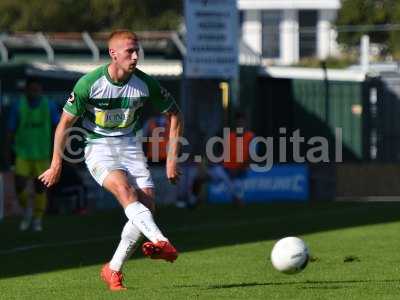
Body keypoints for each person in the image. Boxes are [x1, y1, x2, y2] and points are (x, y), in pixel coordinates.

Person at [38, 30, 183, 291]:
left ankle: (112, 269)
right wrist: (56, 164)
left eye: (138, 50)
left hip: (130, 146)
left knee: (147, 208)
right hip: (98, 147)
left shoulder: (144, 83)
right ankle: (161, 241)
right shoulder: (89, 84)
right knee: (126, 192)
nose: (136, 56)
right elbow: (64, 125)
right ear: (113, 54)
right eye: (130, 51)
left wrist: (171, 160)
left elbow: (175, 114)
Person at [6, 78, 60, 232]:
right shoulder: (18, 106)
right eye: (32, 89)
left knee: (40, 188)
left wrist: (57, 149)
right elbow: (10, 130)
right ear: (26, 90)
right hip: (22, 153)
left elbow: (58, 128)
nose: (35, 92)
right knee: (20, 186)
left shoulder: (49, 105)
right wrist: (7, 151)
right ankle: (27, 211)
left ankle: (37, 219)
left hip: (42, 154)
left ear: (41, 91)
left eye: (38, 89)